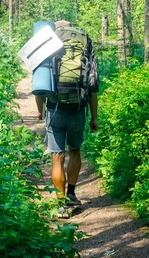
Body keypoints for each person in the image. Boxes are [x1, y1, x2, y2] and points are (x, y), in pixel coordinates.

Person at [35, 20, 99, 219]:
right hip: (78, 109)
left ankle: (61, 204)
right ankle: (71, 193)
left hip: (55, 109)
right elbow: (93, 84)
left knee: (57, 157)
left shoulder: (48, 43)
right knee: (75, 150)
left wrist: (41, 112)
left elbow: (39, 81)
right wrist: (94, 118)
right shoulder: (85, 42)